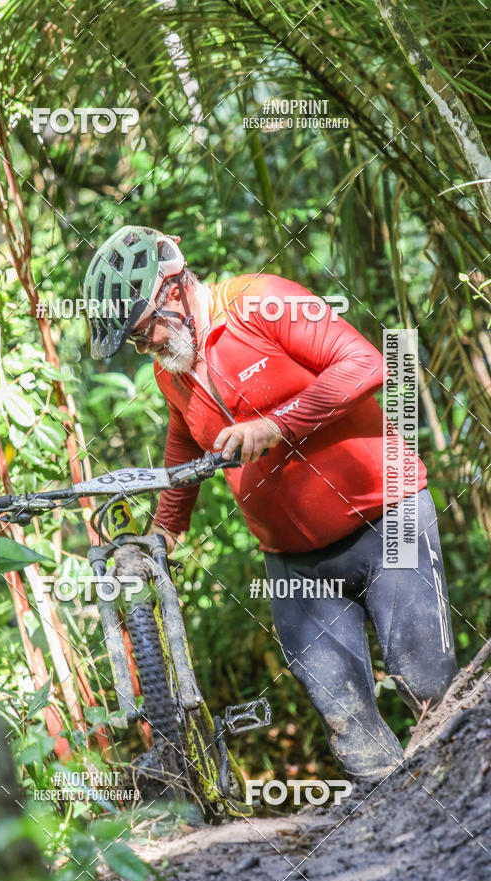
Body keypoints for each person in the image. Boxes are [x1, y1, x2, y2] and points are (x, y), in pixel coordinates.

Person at [84, 225, 458, 778]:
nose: (149, 349)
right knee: (347, 721)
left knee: (428, 686)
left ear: (173, 290)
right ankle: (398, 838)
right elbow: (182, 446)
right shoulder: (175, 374)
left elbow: (367, 365)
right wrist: (164, 531)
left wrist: (278, 425)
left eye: (146, 333)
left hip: (388, 517)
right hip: (295, 563)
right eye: (138, 344)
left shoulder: (261, 301)